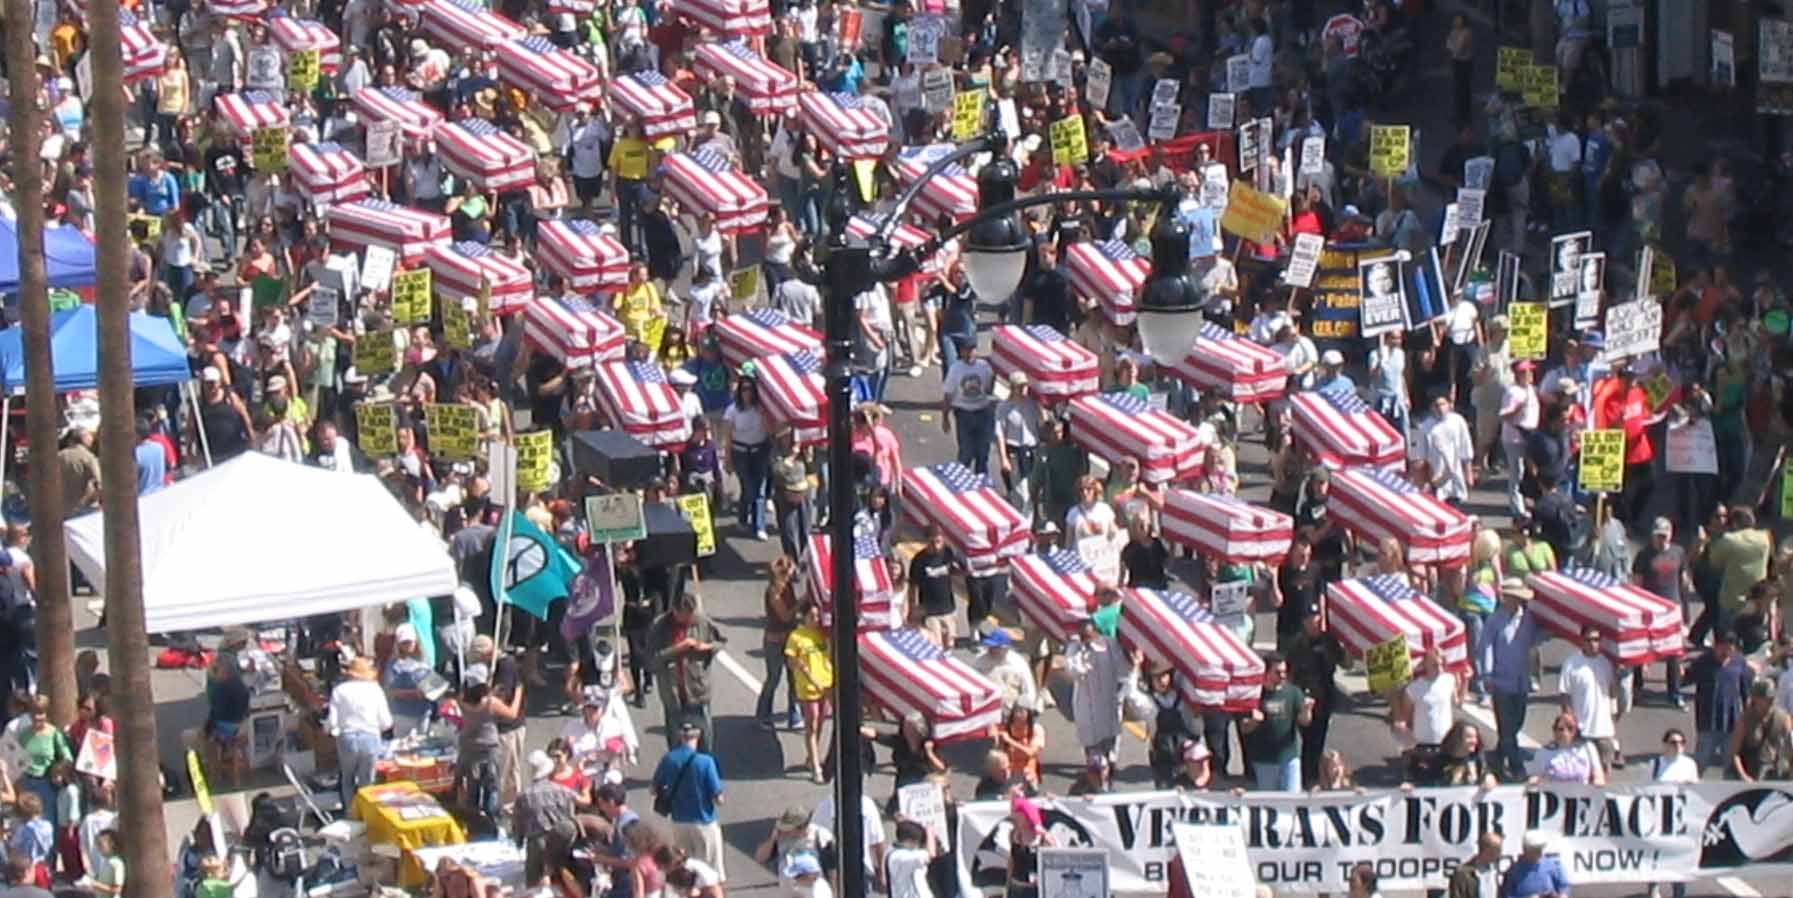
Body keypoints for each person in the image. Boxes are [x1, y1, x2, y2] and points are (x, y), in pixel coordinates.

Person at [1478, 578, 1544, 779]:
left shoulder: (1528, 619)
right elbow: (1486, 647)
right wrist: (1487, 674)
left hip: (1521, 681)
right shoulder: (1495, 620)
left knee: (1516, 723)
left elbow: (1537, 640)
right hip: (1501, 681)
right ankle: (1516, 767)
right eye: (1511, 597)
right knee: (1506, 727)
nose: (1515, 602)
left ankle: (1496, 758)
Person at [651, 722, 726, 879]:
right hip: (703, 821)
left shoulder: (669, 759)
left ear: (680, 737)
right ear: (698, 737)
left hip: (679, 821)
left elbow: (653, 789)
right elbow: (718, 798)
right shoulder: (705, 762)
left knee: (686, 869)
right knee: (712, 870)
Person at [651, 592, 726, 750]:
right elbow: (652, 660)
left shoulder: (701, 621)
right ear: (675, 611)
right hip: (673, 693)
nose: (689, 620)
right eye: (685, 617)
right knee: (676, 740)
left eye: (691, 616)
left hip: (697, 689)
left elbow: (720, 641)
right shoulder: (660, 626)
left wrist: (706, 647)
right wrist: (678, 648)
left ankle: (703, 770)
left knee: (705, 738)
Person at [1240, 652, 1314, 792]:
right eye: (1277, 672)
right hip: (1264, 760)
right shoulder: (1254, 694)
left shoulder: (1293, 692)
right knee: (1269, 803)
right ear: (1266, 672)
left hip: (1290, 758)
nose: (1283, 676)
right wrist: (1254, 722)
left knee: (1292, 800)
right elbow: (1244, 728)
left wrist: (1306, 710)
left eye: (1284, 672)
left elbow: (1304, 722)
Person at [327, 656, 391, 808]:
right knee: (367, 782)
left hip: (347, 738)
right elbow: (386, 722)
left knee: (347, 779)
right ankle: (366, 814)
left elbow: (332, 723)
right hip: (370, 737)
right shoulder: (375, 689)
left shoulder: (339, 690)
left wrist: (331, 730)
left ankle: (351, 812)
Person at [514, 751, 580, 891]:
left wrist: (519, 841)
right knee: (565, 881)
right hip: (561, 840)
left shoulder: (524, 796)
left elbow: (519, 825)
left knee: (534, 886)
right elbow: (571, 817)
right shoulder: (563, 791)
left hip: (536, 843)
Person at [1558, 624, 1621, 769]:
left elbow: (1613, 693)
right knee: (1581, 771)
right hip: (1581, 729)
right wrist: (1569, 721)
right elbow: (1565, 694)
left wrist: (1613, 717)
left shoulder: (1606, 663)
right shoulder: (1571, 663)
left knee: (1604, 771)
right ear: (1582, 641)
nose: (1593, 644)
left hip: (1604, 730)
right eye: (1589, 640)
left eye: (1596, 640)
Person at [1689, 629, 1753, 772]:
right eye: (1722, 648)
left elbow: (1746, 694)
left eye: (1729, 649)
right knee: (1699, 765)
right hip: (1708, 723)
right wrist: (1678, 672)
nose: (1725, 653)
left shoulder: (1740, 663)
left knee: (1731, 767)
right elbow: (1685, 679)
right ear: (1715, 646)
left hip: (1732, 725)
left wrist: (1747, 721)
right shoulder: (1703, 662)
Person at [785, 602, 833, 784]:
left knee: (820, 722)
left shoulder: (823, 633)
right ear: (804, 617)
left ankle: (810, 757)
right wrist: (800, 666)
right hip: (808, 686)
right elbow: (790, 660)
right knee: (811, 724)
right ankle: (815, 766)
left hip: (826, 683)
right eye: (811, 616)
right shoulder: (797, 636)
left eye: (817, 616)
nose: (815, 619)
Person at [941, 336, 997, 475]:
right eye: (967, 350)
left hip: (983, 413)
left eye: (972, 349)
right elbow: (948, 395)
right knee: (966, 454)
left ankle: (981, 485)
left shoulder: (984, 367)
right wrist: (945, 418)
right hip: (964, 414)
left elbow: (989, 391)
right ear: (961, 352)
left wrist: (994, 378)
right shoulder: (955, 369)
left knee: (982, 454)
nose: (970, 353)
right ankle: (961, 482)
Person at [1732, 679, 1793, 781]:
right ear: (1756, 698)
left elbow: (1790, 749)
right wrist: (1743, 776)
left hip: (1776, 770)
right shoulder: (1745, 719)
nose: (1770, 702)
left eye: (1772, 699)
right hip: (1750, 769)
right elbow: (1735, 754)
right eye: (1766, 699)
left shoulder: (1783, 718)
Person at [1528, 711, 1607, 785]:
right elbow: (1535, 776)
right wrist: (1534, 782)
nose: (1565, 733)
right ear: (1554, 731)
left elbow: (1598, 774)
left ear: (1576, 730)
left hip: (1582, 793)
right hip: (1555, 794)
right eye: (1560, 729)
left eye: (1570, 728)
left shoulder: (1587, 747)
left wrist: (1598, 783)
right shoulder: (1544, 752)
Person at [1501, 831, 1570, 898]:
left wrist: (1563, 895)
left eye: (1540, 848)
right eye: (1536, 849)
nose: (1539, 852)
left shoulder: (1553, 865)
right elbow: (1507, 895)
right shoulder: (1513, 871)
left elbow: (1564, 885)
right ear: (1525, 849)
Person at [1448, 832, 1504, 898]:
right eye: (1498, 850)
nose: (1500, 854)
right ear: (1487, 850)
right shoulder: (1462, 873)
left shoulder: (1495, 871)